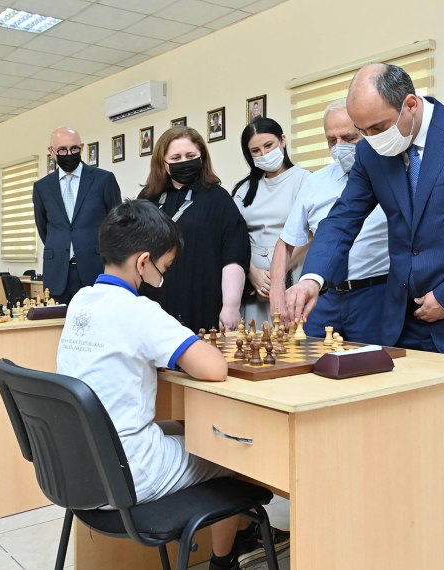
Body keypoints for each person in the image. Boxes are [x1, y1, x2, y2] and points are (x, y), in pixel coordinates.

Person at [286, 63, 444, 471]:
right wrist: (312, 277)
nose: (370, 138)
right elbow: (343, 218)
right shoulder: (370, 152)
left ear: (410, 104)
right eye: (362, 130)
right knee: (415, 439)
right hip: (407, 317)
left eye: (378, 127)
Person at [56, 200, 287, 569]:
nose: (165, 276)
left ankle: (237, 532)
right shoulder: (139, 310)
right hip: (128, 472)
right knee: (231, 451)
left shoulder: (81, 300)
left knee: (184, 429)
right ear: (143, 262)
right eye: (164, 267)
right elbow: (214, 368)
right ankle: (225, 559)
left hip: (77, 469)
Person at [270, 99, 389, 344]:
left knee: (371, 363)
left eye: (349, 138)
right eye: (331, 141)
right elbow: (286, 242)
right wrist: (277, 296)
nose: (339, 147)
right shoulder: (315, 182)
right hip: (324, 296)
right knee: (307, 360)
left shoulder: (390, 177)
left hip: (375, 296)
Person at [137, 126, 249, 332]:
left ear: (202, 157)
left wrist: (231, 306)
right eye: (176, 158)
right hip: (154, 305)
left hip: (203, 304)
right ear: (163, 162)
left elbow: (233, 257)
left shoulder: (219, 199)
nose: (184, 162)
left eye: (190, 156)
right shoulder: (147, 199)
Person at [231, 117, 309, 323]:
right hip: (255, 284)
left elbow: (311, 236)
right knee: (254, 339)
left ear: (282, 140)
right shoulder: (244, 190)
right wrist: (253, 273)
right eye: (255, 151)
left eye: (268, 145)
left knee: (290, 335)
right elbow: (234, 237)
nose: (264, 154)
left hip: (292, 275)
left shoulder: (305, 180)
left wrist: (277, 276)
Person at [33, 127, 122, 304]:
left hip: (95, 267)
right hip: (57, 271)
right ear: (51, 152)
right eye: (62, 150)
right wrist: (62, 243)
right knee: (59, 320)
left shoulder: (103, 179)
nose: (69, 154)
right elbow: (43, 227)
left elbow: (117, 224)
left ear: (82, 147)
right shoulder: (42, 187)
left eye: (74, 148)